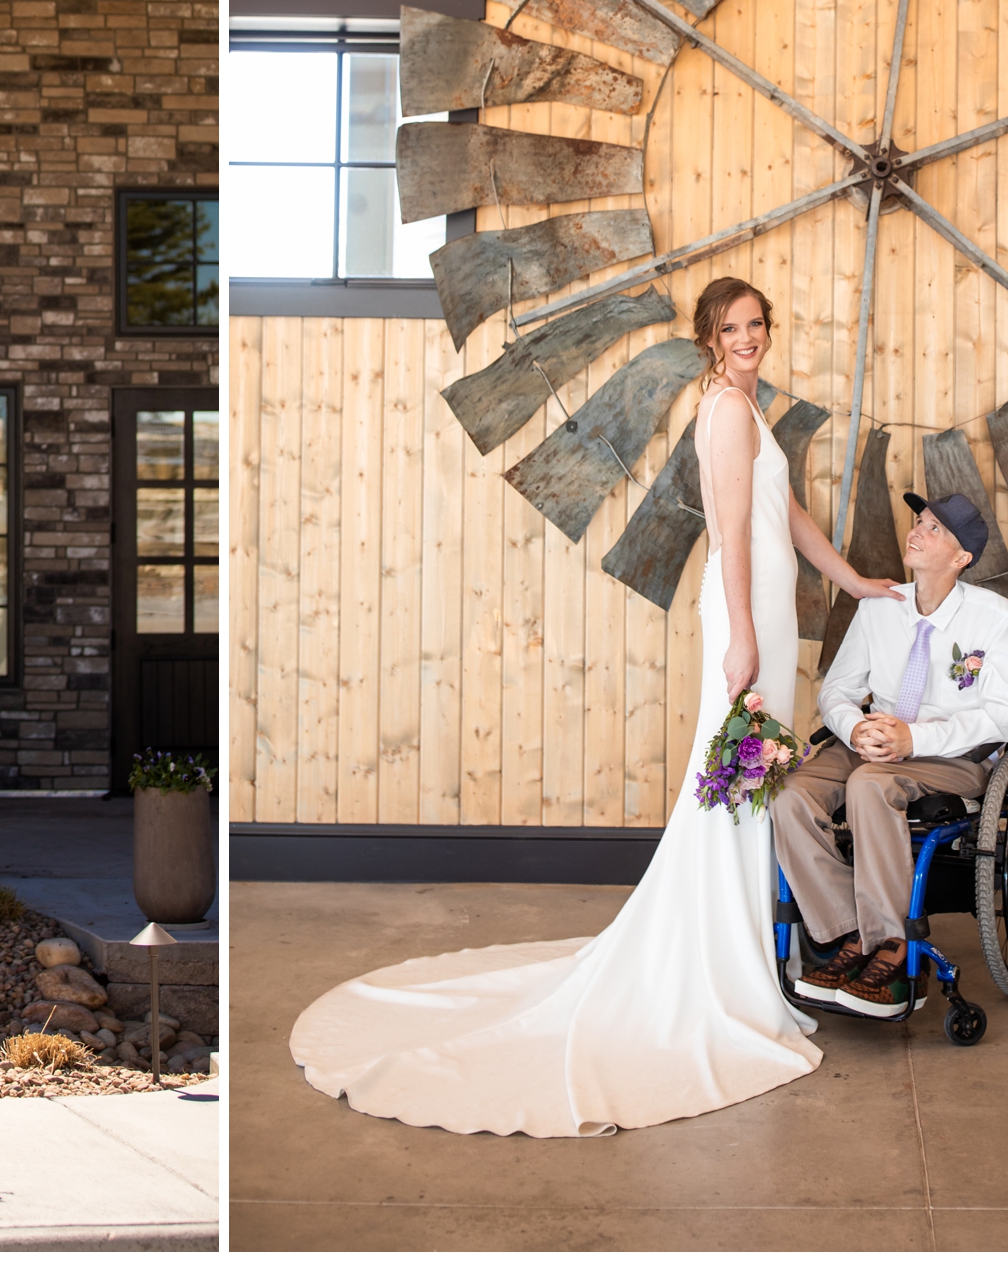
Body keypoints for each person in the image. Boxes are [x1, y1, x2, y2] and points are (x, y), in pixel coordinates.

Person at [289, 278, 902, 1135]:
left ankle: (746, 956)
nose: (750, 337)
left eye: (758, 324)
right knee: (733, 785)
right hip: (745, 610)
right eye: (734, 328)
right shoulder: (724, 411)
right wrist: (741, 639)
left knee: (751, 788)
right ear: (710, 338)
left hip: (768, 603)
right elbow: (727, 531)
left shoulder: (750, 408)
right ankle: (720, 968)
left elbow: (785, 512)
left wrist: (852, 583)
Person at [778, 488, 1008, 1017]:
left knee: (870, 786)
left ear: (961, 558)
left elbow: (1005, 713)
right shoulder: (880, 606)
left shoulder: (994, 616)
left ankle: (892, 945)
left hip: (951, 752)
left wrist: (915, 740)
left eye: (935, 528)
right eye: (918, 521)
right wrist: (855, 731)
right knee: (789, 795)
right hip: (877, 738)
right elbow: (837, 690)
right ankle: (848, 934)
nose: (916, 530)